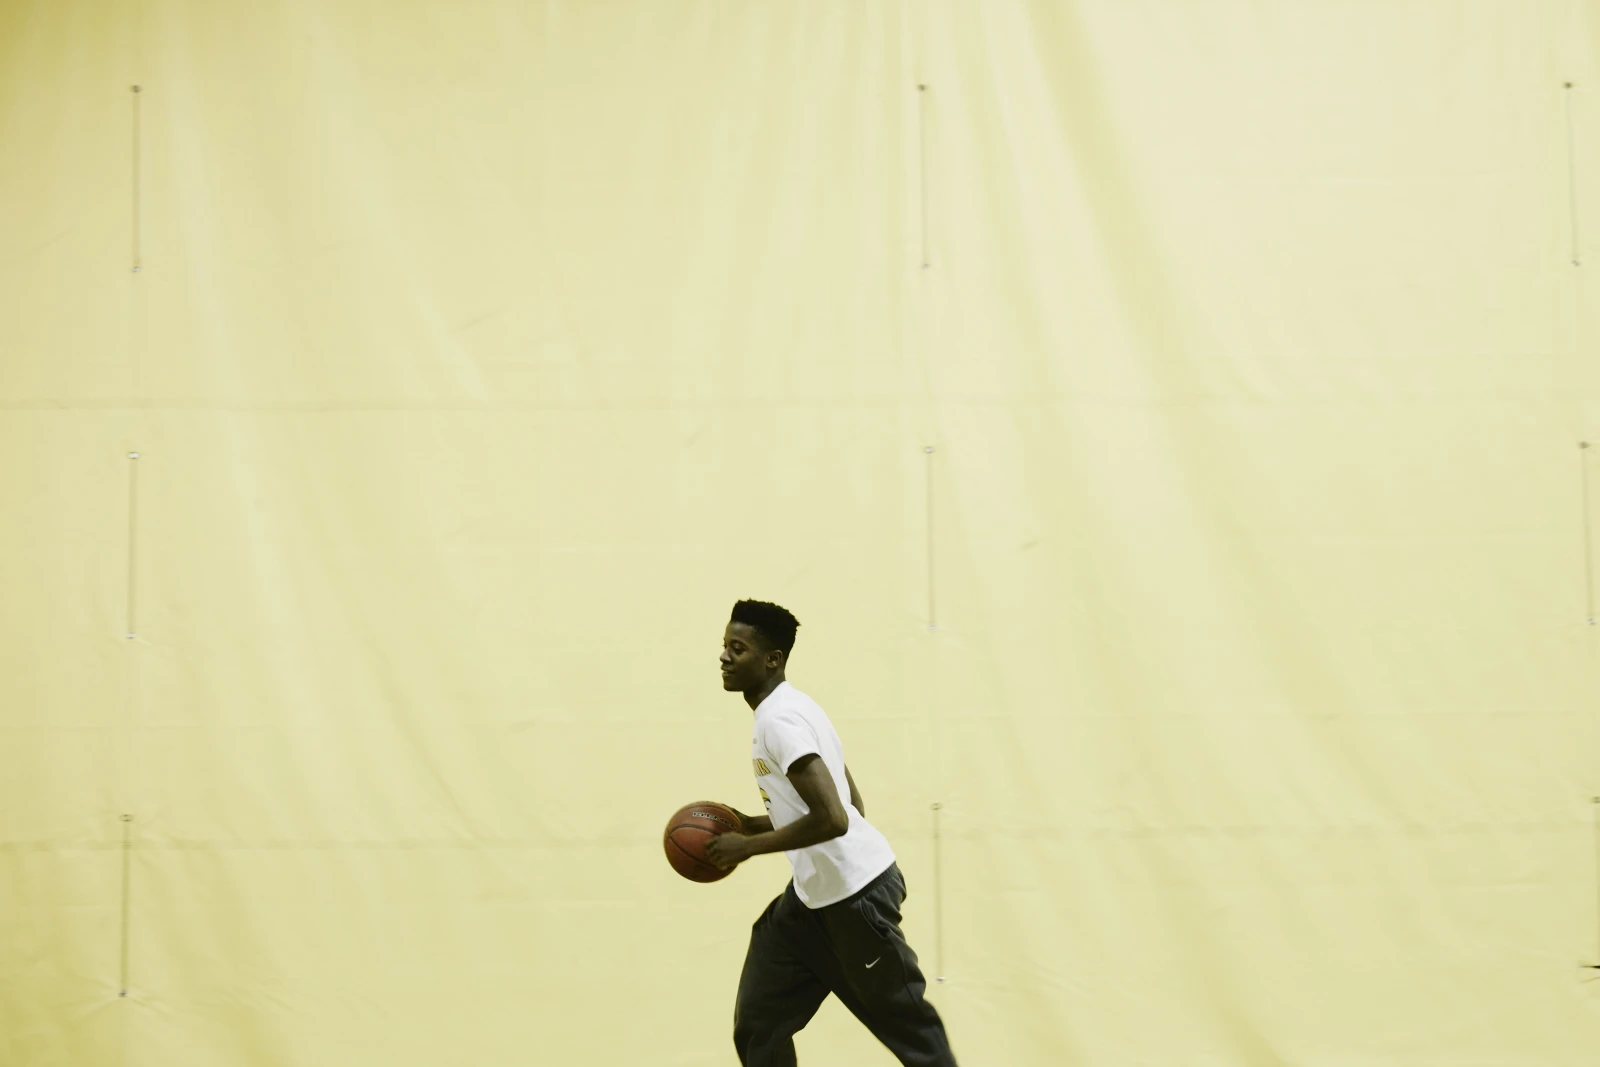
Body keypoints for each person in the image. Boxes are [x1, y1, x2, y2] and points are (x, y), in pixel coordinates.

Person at [705, 599, 959, 1067]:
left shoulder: (780, 720)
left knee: (910, 1029)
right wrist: (753, 822)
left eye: (737, 649)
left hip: (856, 897)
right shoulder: (795, 706)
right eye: (724, 645)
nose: (724, 656)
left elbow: (836, 819)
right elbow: (848, 803)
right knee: (760, 1020)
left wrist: (749, 846)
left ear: (772, 659)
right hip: (811, 902)